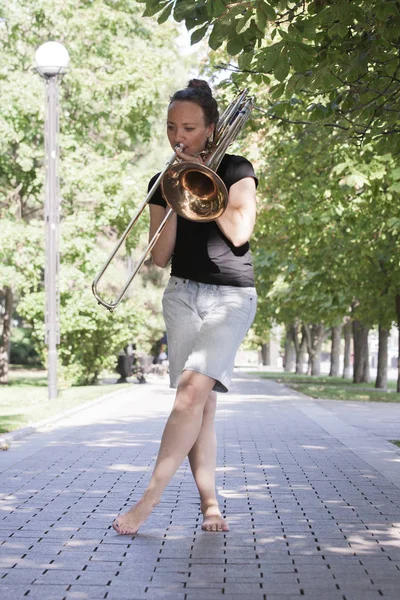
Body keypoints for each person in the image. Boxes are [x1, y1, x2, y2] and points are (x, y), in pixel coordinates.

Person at [112, 79, 257, 535]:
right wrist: (176, 193)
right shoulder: (163, 178)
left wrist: (204, 185)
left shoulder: (237, 170)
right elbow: (159, 256)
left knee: (190, 395)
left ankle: (147, 503)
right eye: (172, 127)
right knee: (201, 407)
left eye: (190, 128)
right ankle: (210, 504)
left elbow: (239, 233)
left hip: (230, 296)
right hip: (181, 296)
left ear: (211, 129)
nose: (179, 136)